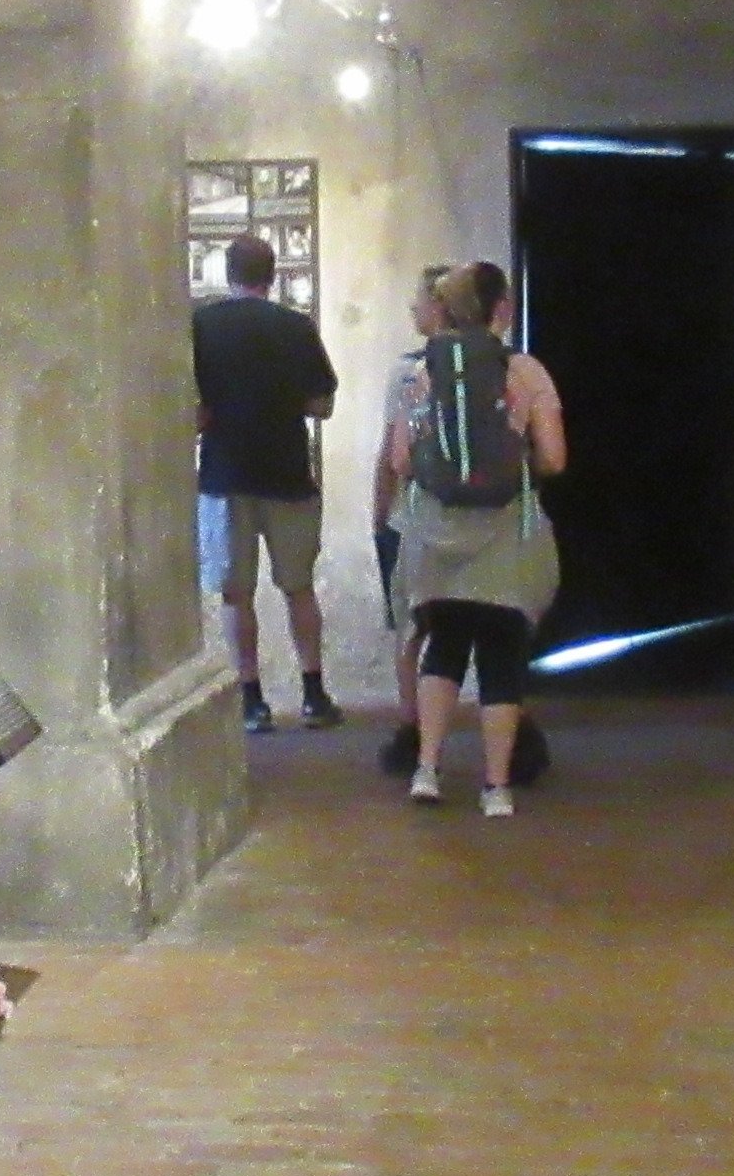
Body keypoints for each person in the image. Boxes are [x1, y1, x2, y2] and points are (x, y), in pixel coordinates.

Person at [375, 257, 566, 817]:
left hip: (436, 537)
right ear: (500, 309)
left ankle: (428, 770)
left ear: (444, 310)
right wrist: (516, 455)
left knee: (445, 648)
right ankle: (495, 787)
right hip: (507, 538)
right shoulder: (525, 371)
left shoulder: (418, 374)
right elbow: (554, 457)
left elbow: (398, 460)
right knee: (501, 656)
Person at [188, 230, 345, 731]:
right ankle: (313, 692)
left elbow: (192, 412)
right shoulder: (296, 328)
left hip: (225, 474)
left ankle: (251, 699)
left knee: (236, 594)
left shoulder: (201, 326)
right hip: (287, 473)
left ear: (226, 273)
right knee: (299, 587)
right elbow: (322, 404)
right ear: (271, 274)